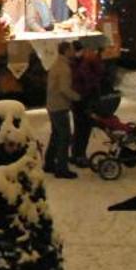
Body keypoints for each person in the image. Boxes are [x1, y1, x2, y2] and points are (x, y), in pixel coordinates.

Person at [43, 41, 79, 178]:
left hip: (52, 104)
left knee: (56, 135)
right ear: (66, 51)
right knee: (64, 137)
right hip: (60, 106)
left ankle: (49, 162)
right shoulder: (64, 68)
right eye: (71, 50)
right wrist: (77, 97)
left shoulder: (55, 64)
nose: (73, 52)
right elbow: (64, 89)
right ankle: (61, 168)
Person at [69, 40, 106, 167]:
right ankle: (79, 155)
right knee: (83, 128)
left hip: (78, 98)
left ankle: (76, 154)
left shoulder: (73, 62)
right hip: (84, 98)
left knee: (80, 127)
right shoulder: (88, 60)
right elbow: (96, 76)